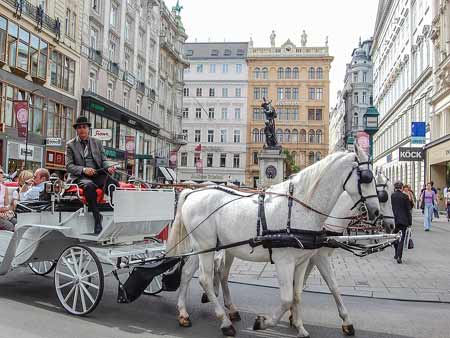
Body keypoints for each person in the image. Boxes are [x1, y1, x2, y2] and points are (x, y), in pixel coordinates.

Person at [66, 116, 118, 234]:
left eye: (84, 127)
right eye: (79, 128)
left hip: (97, 173)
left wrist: (109, 167)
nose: (82, 130)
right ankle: (97, 218)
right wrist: (84, 170)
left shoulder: (97, 142)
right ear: (76, 130)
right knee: (90, 186)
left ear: (89, 129)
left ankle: (118, 213)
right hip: (80, 176)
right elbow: (69, 166)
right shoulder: (70, 145)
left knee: (113, 184)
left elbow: (104, 160)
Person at [391, 181, 412, 264]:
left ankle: (396, 253)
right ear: (402, 188)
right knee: (401, 239)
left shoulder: (392, 196)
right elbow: (408, 210)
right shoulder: (405, 196)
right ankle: (399, 257)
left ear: (395, 188)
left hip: (394, 220)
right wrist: (410, 222)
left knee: (395, 237)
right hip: (403, 220)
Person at [0, 166, 17, 231]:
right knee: (10, 226)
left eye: (2, 172)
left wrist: (6, 209)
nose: (2, 174)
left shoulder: (4, 188)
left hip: (3, 214)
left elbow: (7, 204)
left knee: (17, 222)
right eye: (0, 172)